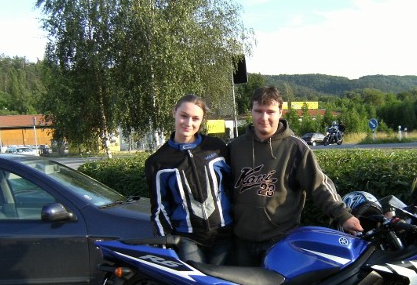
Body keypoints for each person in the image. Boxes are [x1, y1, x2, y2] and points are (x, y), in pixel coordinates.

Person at [229, 86, 363, 266]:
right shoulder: (235, 147)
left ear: (280, 112)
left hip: (280, 241)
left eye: (270, 111)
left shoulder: (296, 148)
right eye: (258, 111)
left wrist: (343, 215)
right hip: (241, 243)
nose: (264, 117)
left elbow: (319, 186)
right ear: (251, 111)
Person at [145, 94, 232, 265]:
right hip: (188, 239)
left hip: (224, 235)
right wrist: (164, 245)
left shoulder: (216, 148)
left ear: (202, 120)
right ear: (174, 113)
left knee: (221, 281)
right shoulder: (158, 162)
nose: (188, 123)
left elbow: (233, 185)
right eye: (184, 116)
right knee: (195, 280)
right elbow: (160, 209)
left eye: (195, 118)